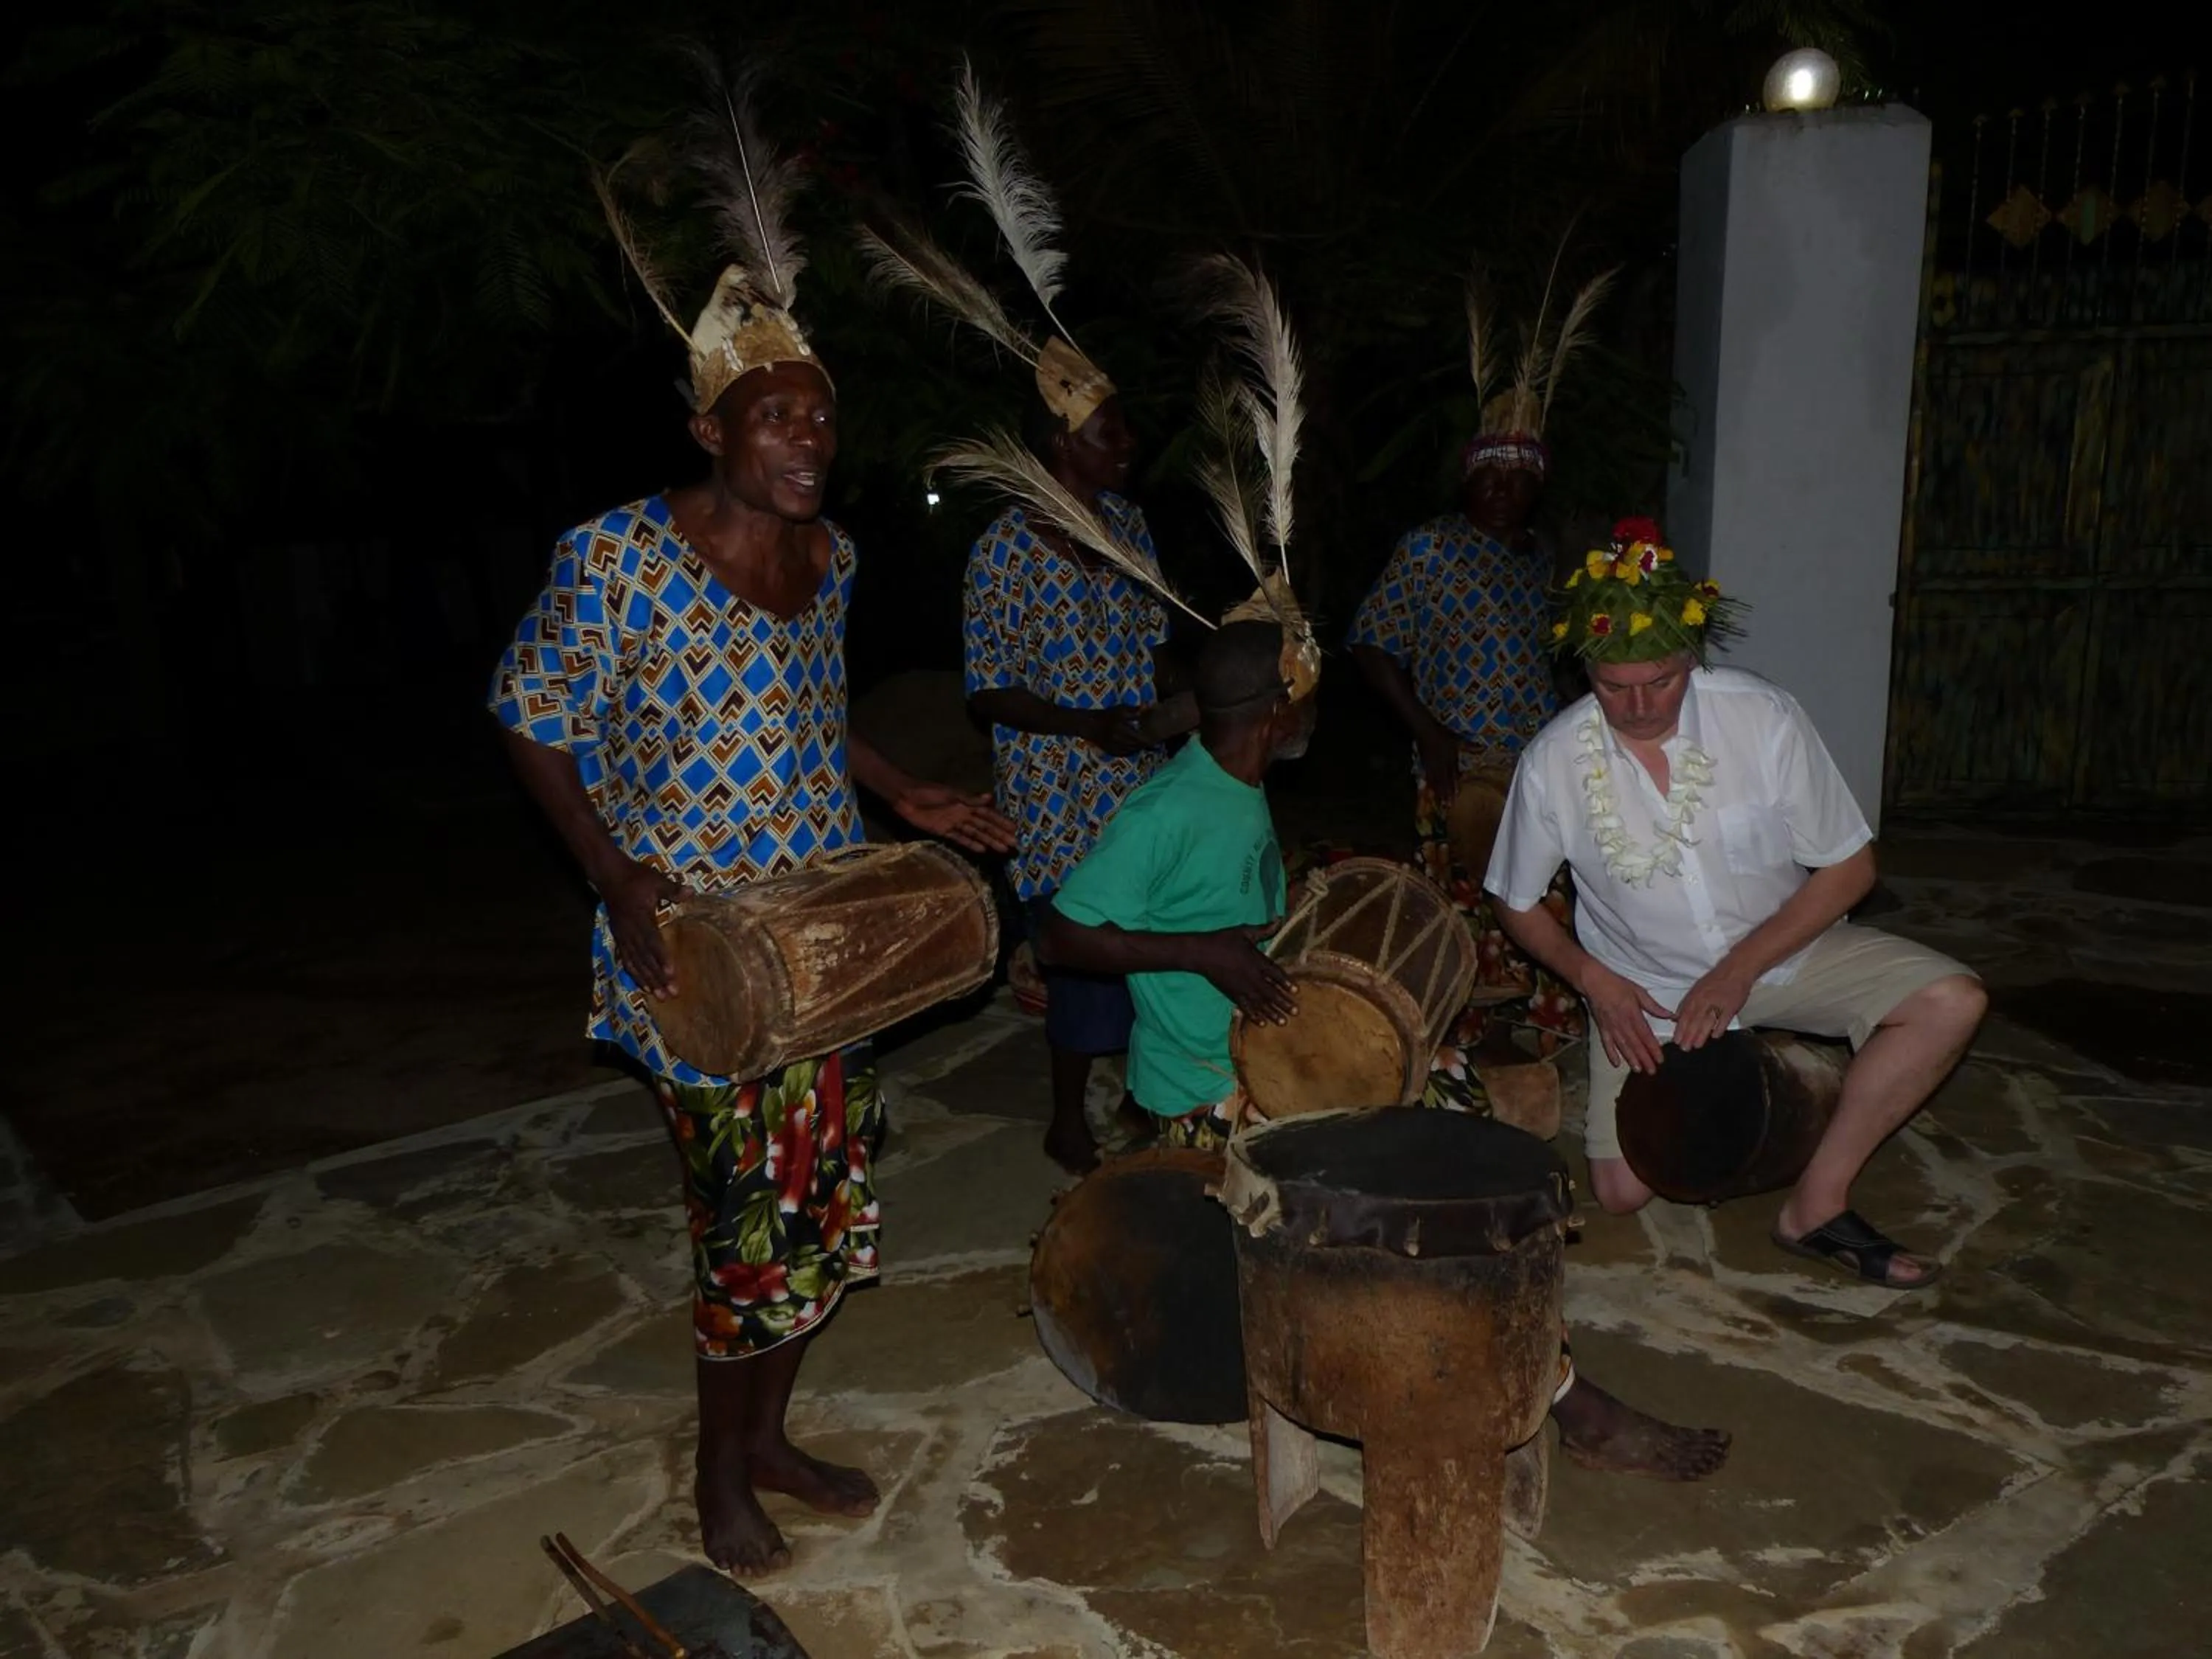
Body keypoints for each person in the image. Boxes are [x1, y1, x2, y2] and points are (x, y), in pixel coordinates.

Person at [493, 105, 1016, 1576]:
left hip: (824, 934)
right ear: (710, 426)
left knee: (825, 1207)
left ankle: (771, 1437)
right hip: (693, 946)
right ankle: (723, 1478)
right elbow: (526, 713)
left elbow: (808, 709)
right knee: (749, 1219)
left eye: (822, 414)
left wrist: (900, 794)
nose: (807, 437)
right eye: (775, 415)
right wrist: (612, 872)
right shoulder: (615, 558)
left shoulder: (832, 558)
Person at [1044, 622, 1732, 1479]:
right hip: (1213, 1088)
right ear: (1275, 710)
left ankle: (1509, 1342)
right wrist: (1201, 953)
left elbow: (1215, 908)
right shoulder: (1172, 807)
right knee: (1444, 1191)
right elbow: (1060, 933)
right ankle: (1567, 1399)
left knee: (1453, 1096)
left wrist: (1272, 926)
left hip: (1264, 1049)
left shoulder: (1234, 780)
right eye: (1308, 696)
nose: (1317, 713)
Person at [1486, 519, 1989, 1287]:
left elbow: (1851, 869)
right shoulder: (1554, 762)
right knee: (1623, 1191)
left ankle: (1816, 1205)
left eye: (1659, 680)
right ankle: (1789, 1074)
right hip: (1644, 989)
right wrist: (1595, 982)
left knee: (1952, 1001)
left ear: (1691, 657)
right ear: (1586, 673)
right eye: (1614, 687)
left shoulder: (1761, 719)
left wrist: (1738, 971)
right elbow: (1517, 904)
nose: (1640, 705)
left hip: (1785, 957)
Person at [866, 63, 1188, 1172]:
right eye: (1109, 440)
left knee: (1150, 948)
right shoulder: (1003, 549)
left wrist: (1162, 720)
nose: (1126, 451)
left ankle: (1152, 1105)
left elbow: (1155, 647)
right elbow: (986, 687)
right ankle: (1065, 1115)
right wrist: (1087, 725)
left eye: (1124, 439)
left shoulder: (1135, 531)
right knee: (1083, 953)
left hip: (1135, 778)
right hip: (1053, 785)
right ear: (1060, 447)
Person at [1349, 264, 1614, 1102]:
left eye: (1519, 477)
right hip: (1455, 760)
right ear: (1468, 478)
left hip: (1534, 761)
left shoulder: (1540, 559)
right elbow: (1370, 645)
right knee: (1454, 896)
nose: (1502, 490)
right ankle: (1454, 1026)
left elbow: (1557, 663)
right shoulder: (1428, 547)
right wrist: (1425, 731)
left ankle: (1537, 1014)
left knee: (1541, 892)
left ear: (1537, 484)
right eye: (1489, 476)